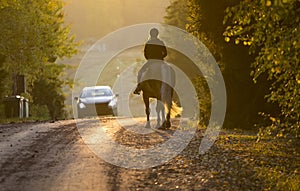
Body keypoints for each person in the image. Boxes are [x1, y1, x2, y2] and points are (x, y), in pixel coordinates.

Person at [134, 28, 167, 95]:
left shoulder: (148, 43)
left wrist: (149, 59)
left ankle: (138, 88)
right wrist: (161, 58)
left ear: (150, 34)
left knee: (140, 72)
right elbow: (165, 53)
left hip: (151, 61)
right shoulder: (161, 42)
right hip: (160, 61)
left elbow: (145, 53)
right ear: (157, 34)